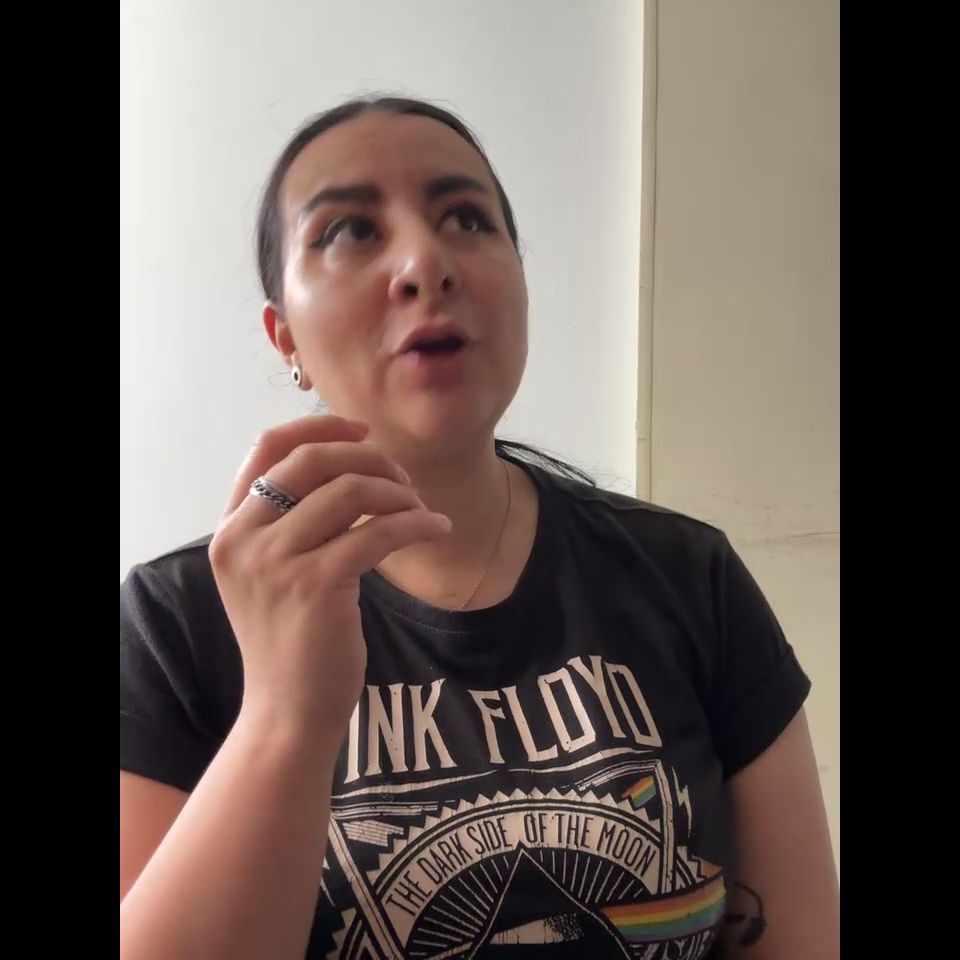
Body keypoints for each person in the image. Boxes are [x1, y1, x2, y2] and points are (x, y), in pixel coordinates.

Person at [120, 96, 840, 960]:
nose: (425, 262)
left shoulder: (690, 575)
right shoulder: (173, 624)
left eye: (466, 218)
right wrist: (285, 713)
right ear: (286, 339)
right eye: (350, 230)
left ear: (521, 285)